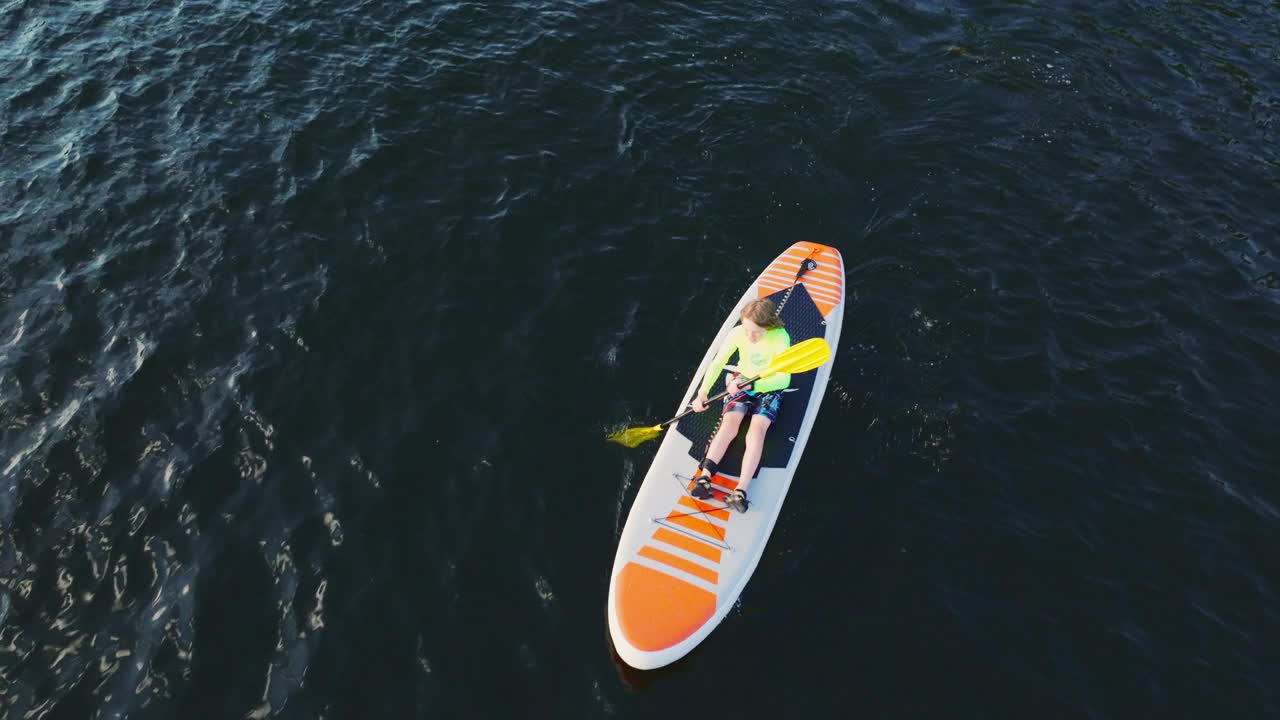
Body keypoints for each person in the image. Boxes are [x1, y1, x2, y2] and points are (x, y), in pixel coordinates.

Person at [689, 298, 790, 513]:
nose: (750, 336)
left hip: (768, 386)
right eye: (747, 330)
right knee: (729, 424)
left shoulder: (780, 337)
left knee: (756, 430)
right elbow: (717, 363)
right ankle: (705, 477)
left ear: (769, 326)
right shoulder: (737, 333)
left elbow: (784, 379)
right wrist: (702, 393)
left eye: (756, 332)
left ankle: (740, 490)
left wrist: (754, 383)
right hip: (741, 380)